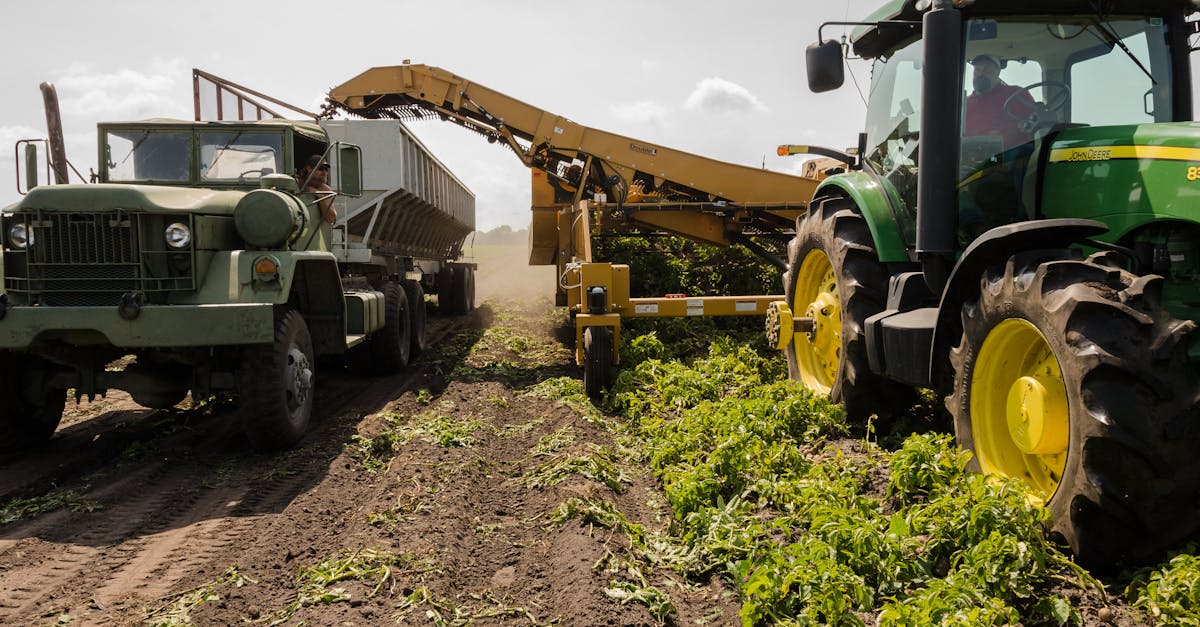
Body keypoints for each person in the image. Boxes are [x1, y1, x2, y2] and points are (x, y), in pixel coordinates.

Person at [964, 54, 1035, 149]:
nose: (981, 74)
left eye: (987, 70)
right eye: (977, 70)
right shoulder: (965, 104)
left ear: (998, 72)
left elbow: (1036, 122)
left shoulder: (1017, 94)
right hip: (972, 159)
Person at [298, 155, 337, 224]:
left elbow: (331, 218)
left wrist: (320, 195)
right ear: (309, 168)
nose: (324, 172)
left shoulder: (326, 190)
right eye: (321, 168)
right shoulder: (296, 183)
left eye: (326, 169)